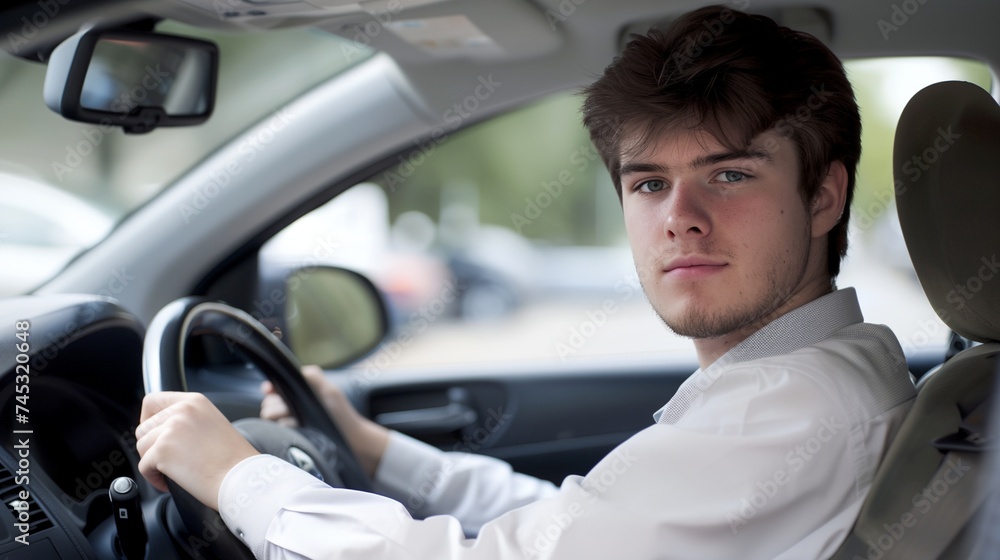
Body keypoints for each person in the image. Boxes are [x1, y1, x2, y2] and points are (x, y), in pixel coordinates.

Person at [135, 5, 917, 558]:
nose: (680, 217)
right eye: (648, 184)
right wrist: (375, 450)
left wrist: (239, 478)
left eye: (731, 175)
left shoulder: (785, 414)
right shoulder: (827, 374)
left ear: (823, 196)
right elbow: (574, 531)